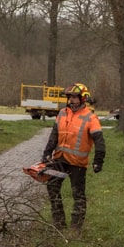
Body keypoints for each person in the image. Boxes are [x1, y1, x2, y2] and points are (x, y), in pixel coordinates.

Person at [39, 82, 106, 233]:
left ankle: (75, 228)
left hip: (77, 163)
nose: (72, 100)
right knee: (52, 188)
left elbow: (99, 141)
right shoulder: (62, 113)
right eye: (70, 97)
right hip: (59, 159)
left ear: (83, 99)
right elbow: (54, 135)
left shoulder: (91, 117)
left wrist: (98, 161)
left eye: (76, 97)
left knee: (78, 194)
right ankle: (59, 223)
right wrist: (47, 153)